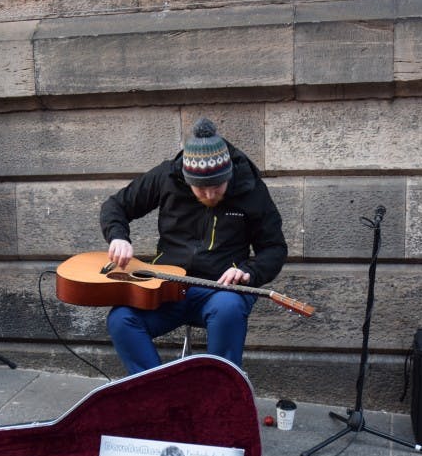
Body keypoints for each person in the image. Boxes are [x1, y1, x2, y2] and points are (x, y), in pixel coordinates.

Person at [100, 117, 288, 374]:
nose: (210, 195)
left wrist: (249, 272)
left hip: (222, 290)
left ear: (229, 175)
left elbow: (275, 248)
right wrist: (118, 236)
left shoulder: (251, 188)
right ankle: (158, 394)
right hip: (166, 288)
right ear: (187, 179)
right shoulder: (166, 176)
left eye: (217, 186)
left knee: (228, 309)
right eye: (200, 189)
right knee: (122, 319)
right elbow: (116, 206)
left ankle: (217, 397)